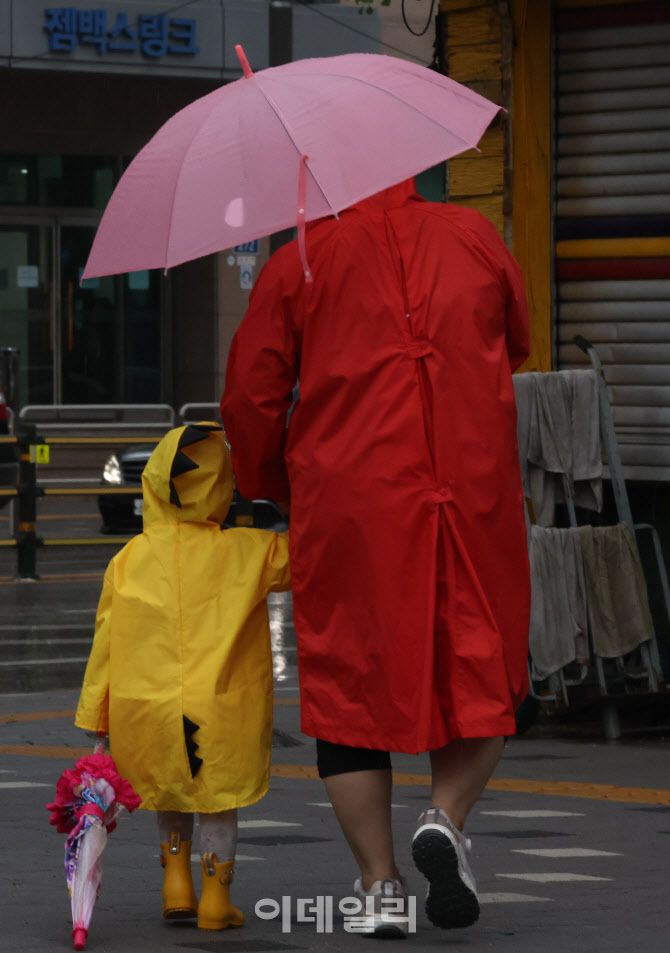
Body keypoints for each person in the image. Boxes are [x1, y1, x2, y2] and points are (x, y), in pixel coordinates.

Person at [220, 178, 531, 936]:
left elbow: (251, 398)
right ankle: (446, 817)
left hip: (349, 496)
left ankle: (379, 887)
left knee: (352, 685)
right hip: (470, 484)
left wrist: (271, 482)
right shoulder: (474, 236)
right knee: (481, 665)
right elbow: (516, 340)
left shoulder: (299, 258)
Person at [75, 422, 290, 930]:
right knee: (219, 801)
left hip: (145, 707)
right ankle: (216, 899)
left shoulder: (127, 560)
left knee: (168, 793)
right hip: (223, 706)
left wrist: (96, 720)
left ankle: (176, 885)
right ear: (222, 486)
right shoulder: (250, 550)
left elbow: (104, 645)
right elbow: (311, 556)